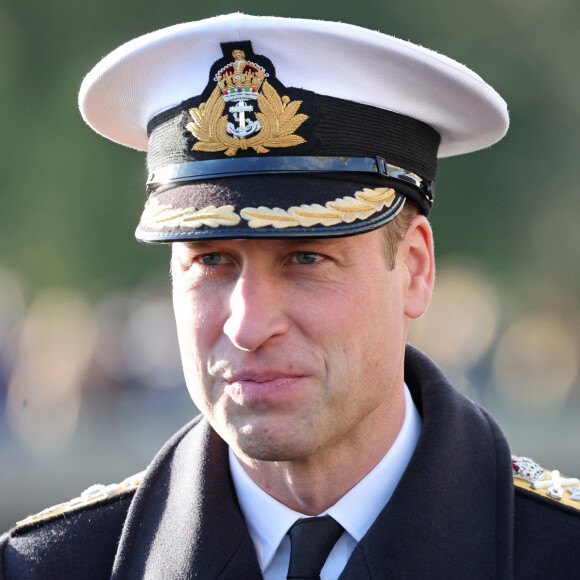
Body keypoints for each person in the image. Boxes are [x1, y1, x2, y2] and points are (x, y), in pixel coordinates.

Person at [1, 13, 578, 579]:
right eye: (210, 261)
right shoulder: (54, 566)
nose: (248, 325)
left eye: (306, 258)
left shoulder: (558, 552)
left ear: (416, 269)